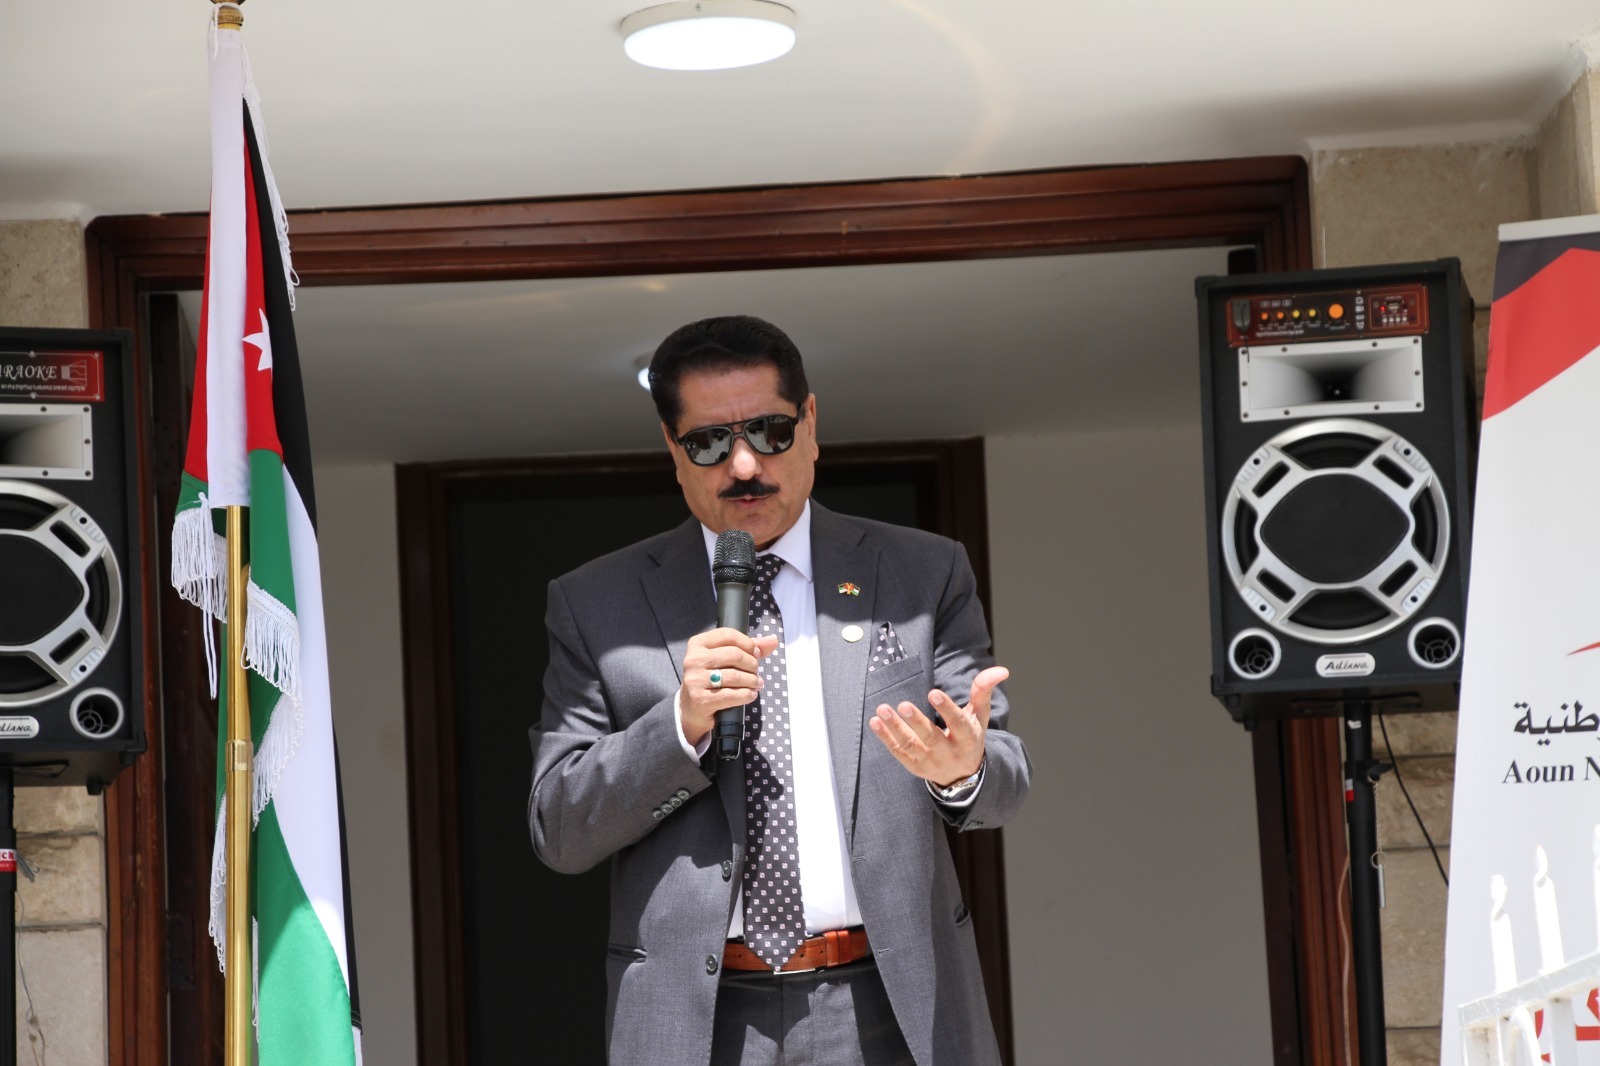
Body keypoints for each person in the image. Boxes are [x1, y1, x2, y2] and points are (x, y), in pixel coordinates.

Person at [528, 315, 1030, 1066]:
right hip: (699, 1022)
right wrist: (679, 727)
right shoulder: (597, 605)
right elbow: (559, 830)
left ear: (811, 424)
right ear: (672, 449)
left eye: (769, 432)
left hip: (888, 1004)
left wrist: (963, 771)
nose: (743, 465)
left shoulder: (922, 573)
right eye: (708, 442)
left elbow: (1005, 780)